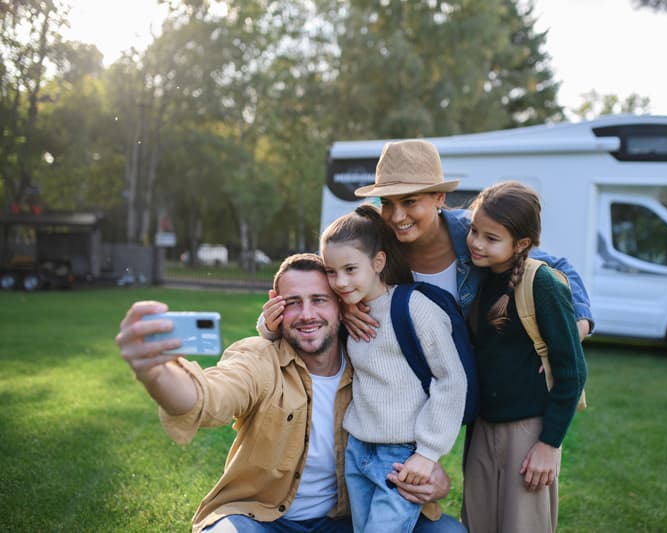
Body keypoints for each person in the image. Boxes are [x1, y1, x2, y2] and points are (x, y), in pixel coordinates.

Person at [115, 253, 465, 533]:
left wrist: (433, 475)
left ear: (342, 306)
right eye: (293, 302)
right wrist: (154, 373)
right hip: (262, 519)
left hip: (347, 520)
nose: (307, 314)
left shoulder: (373, 366)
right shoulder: (258, 358)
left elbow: (421, 414)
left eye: (319, 300)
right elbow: (208, 397)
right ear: (275, 305)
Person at [258, 139, 592, 343]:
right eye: (387, 203)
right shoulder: (377, 245)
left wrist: (579, 322)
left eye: (410, 201)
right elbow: (327, 274)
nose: (397, 216)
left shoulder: (471, 235)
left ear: (439, 199)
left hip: (471, 368)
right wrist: (345, 306)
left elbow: (555, 266)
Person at [320, 205, 467, 533]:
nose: (340, 281)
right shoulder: (350, 311)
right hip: (357, 449)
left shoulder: (416, 308)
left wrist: (428, 453)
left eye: (350, 269)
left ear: (378, 262)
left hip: (401, 455)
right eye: (331, 271)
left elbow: (452, 380)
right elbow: (297, 314)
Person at [461, 181, 587, 532]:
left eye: (491, 237)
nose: (476, 243)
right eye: (474, 231)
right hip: (483, 428)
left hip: (529, 432)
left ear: (522, 244)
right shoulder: (477, 278)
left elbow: (573, 372)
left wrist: (549, 444)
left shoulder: (542, 284)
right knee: (478, 523)